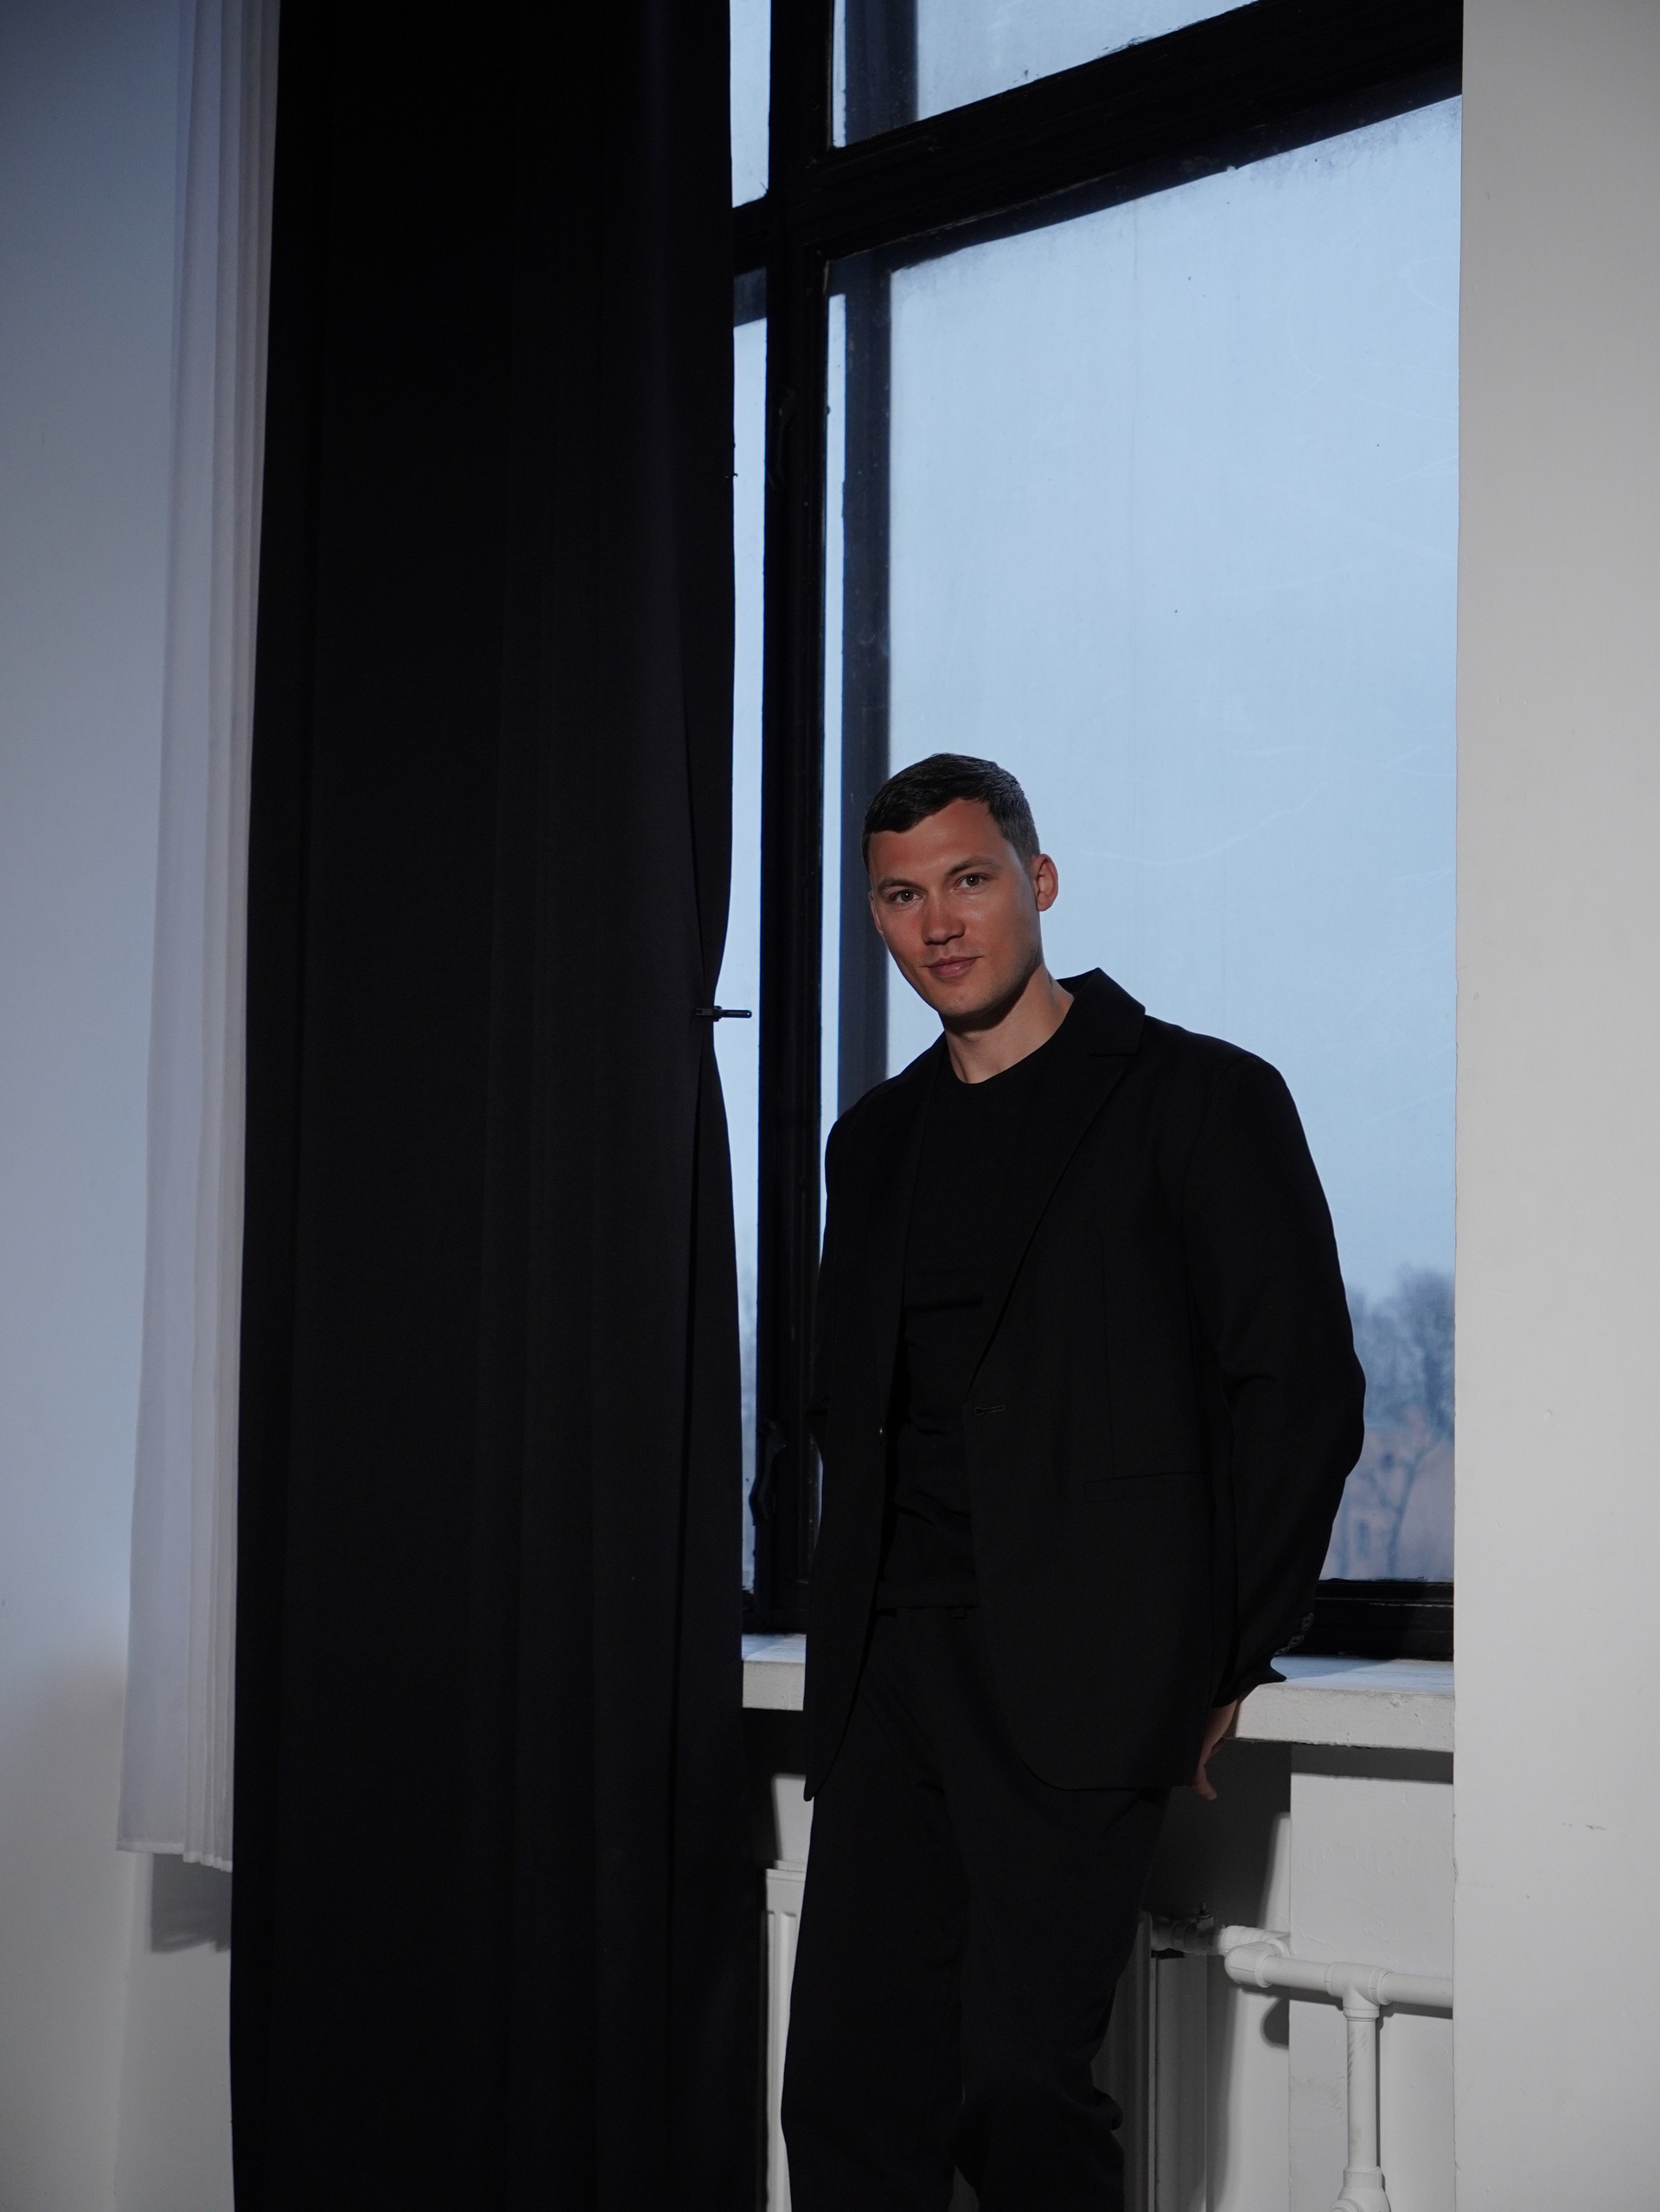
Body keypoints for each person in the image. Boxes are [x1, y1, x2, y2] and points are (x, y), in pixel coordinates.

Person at [780, 754, 1364, 2211]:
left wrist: (1229, 1651)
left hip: (1084, 1670)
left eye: (970, 880)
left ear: (1037, 882)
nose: (939, 924)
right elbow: (842, 1404)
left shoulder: (1202, 1098)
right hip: (886, 1670)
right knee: (846, 2090)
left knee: (1018, 2080)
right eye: (900, 897)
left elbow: (1298, 1392)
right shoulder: (875, 1141)